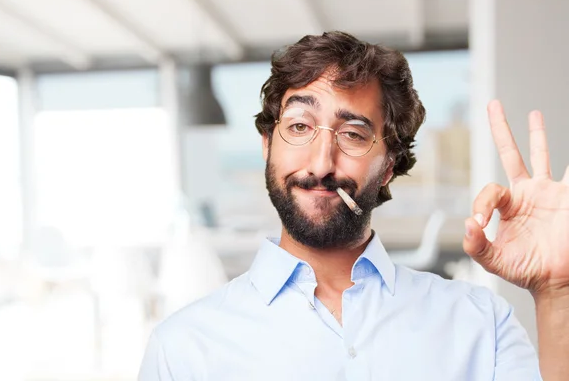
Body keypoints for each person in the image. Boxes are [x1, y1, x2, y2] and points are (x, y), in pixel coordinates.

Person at [138, 31, 569, 380]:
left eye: (354, 134)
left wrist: (556, 293)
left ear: (388, 167)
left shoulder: (480, 324)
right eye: (300, 126)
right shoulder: (182, 350)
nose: (322, 163)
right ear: (268, 146)